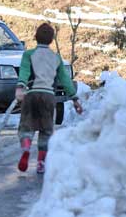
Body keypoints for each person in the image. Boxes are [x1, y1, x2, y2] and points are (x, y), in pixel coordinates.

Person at [15, 23, 83, 174]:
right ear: (51, 40)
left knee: (26, 126)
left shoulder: (28, 55)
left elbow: (24, 72)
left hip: (31, 95)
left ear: (36, 37)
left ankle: (26, 147)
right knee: (46, 130)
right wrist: (75, 99)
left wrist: (20, 87)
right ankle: (40, 162)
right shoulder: (56, 58)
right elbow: (65, 80)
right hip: (48, 96)